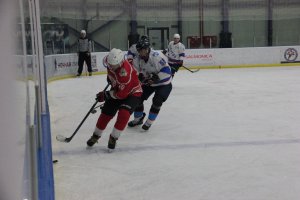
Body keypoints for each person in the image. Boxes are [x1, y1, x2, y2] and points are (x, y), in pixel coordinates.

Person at [86, 48, 142, 150]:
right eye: (110, 64)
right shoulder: (110, 62)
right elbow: (112, 76)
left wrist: (106, 95)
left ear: (120, 62)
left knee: (123, 114)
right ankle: (95, 136)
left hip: (132, 93)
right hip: (118, 90)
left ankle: (113, 137)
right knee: (106, 114)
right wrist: (110, 80)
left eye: (113, 65)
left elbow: (121, 95)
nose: (111, 66)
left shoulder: (124, 73)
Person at [128, 39, 173, 131]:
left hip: (164, 83)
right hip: (149, 82)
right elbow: (135, 72)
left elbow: (167, 72)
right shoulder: (137, 59)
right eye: (139, 50)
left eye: (143, 49)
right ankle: (138, 119)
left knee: (157, 101)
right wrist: (139, 77)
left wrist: (155, 78)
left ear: (148, 49)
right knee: (137, 98)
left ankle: (149, 122)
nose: (141, 52)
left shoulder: (157, 56)